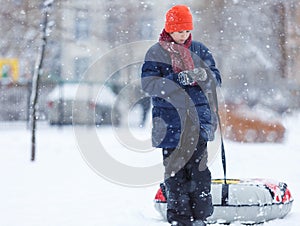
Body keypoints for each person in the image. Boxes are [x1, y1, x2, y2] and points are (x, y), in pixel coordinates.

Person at [141, 5, 222, 226]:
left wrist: (204, 75)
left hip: (197, 122)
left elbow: (215, 80)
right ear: (169, 29)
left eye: (186, 31)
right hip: (170, 125)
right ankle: (179, 219)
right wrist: (179, 81)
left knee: (199, 173)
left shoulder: (200, 51)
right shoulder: (156, 53)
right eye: (179, 31)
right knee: (175, 175)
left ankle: (200, 218)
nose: (183, 36)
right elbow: (148, 84)